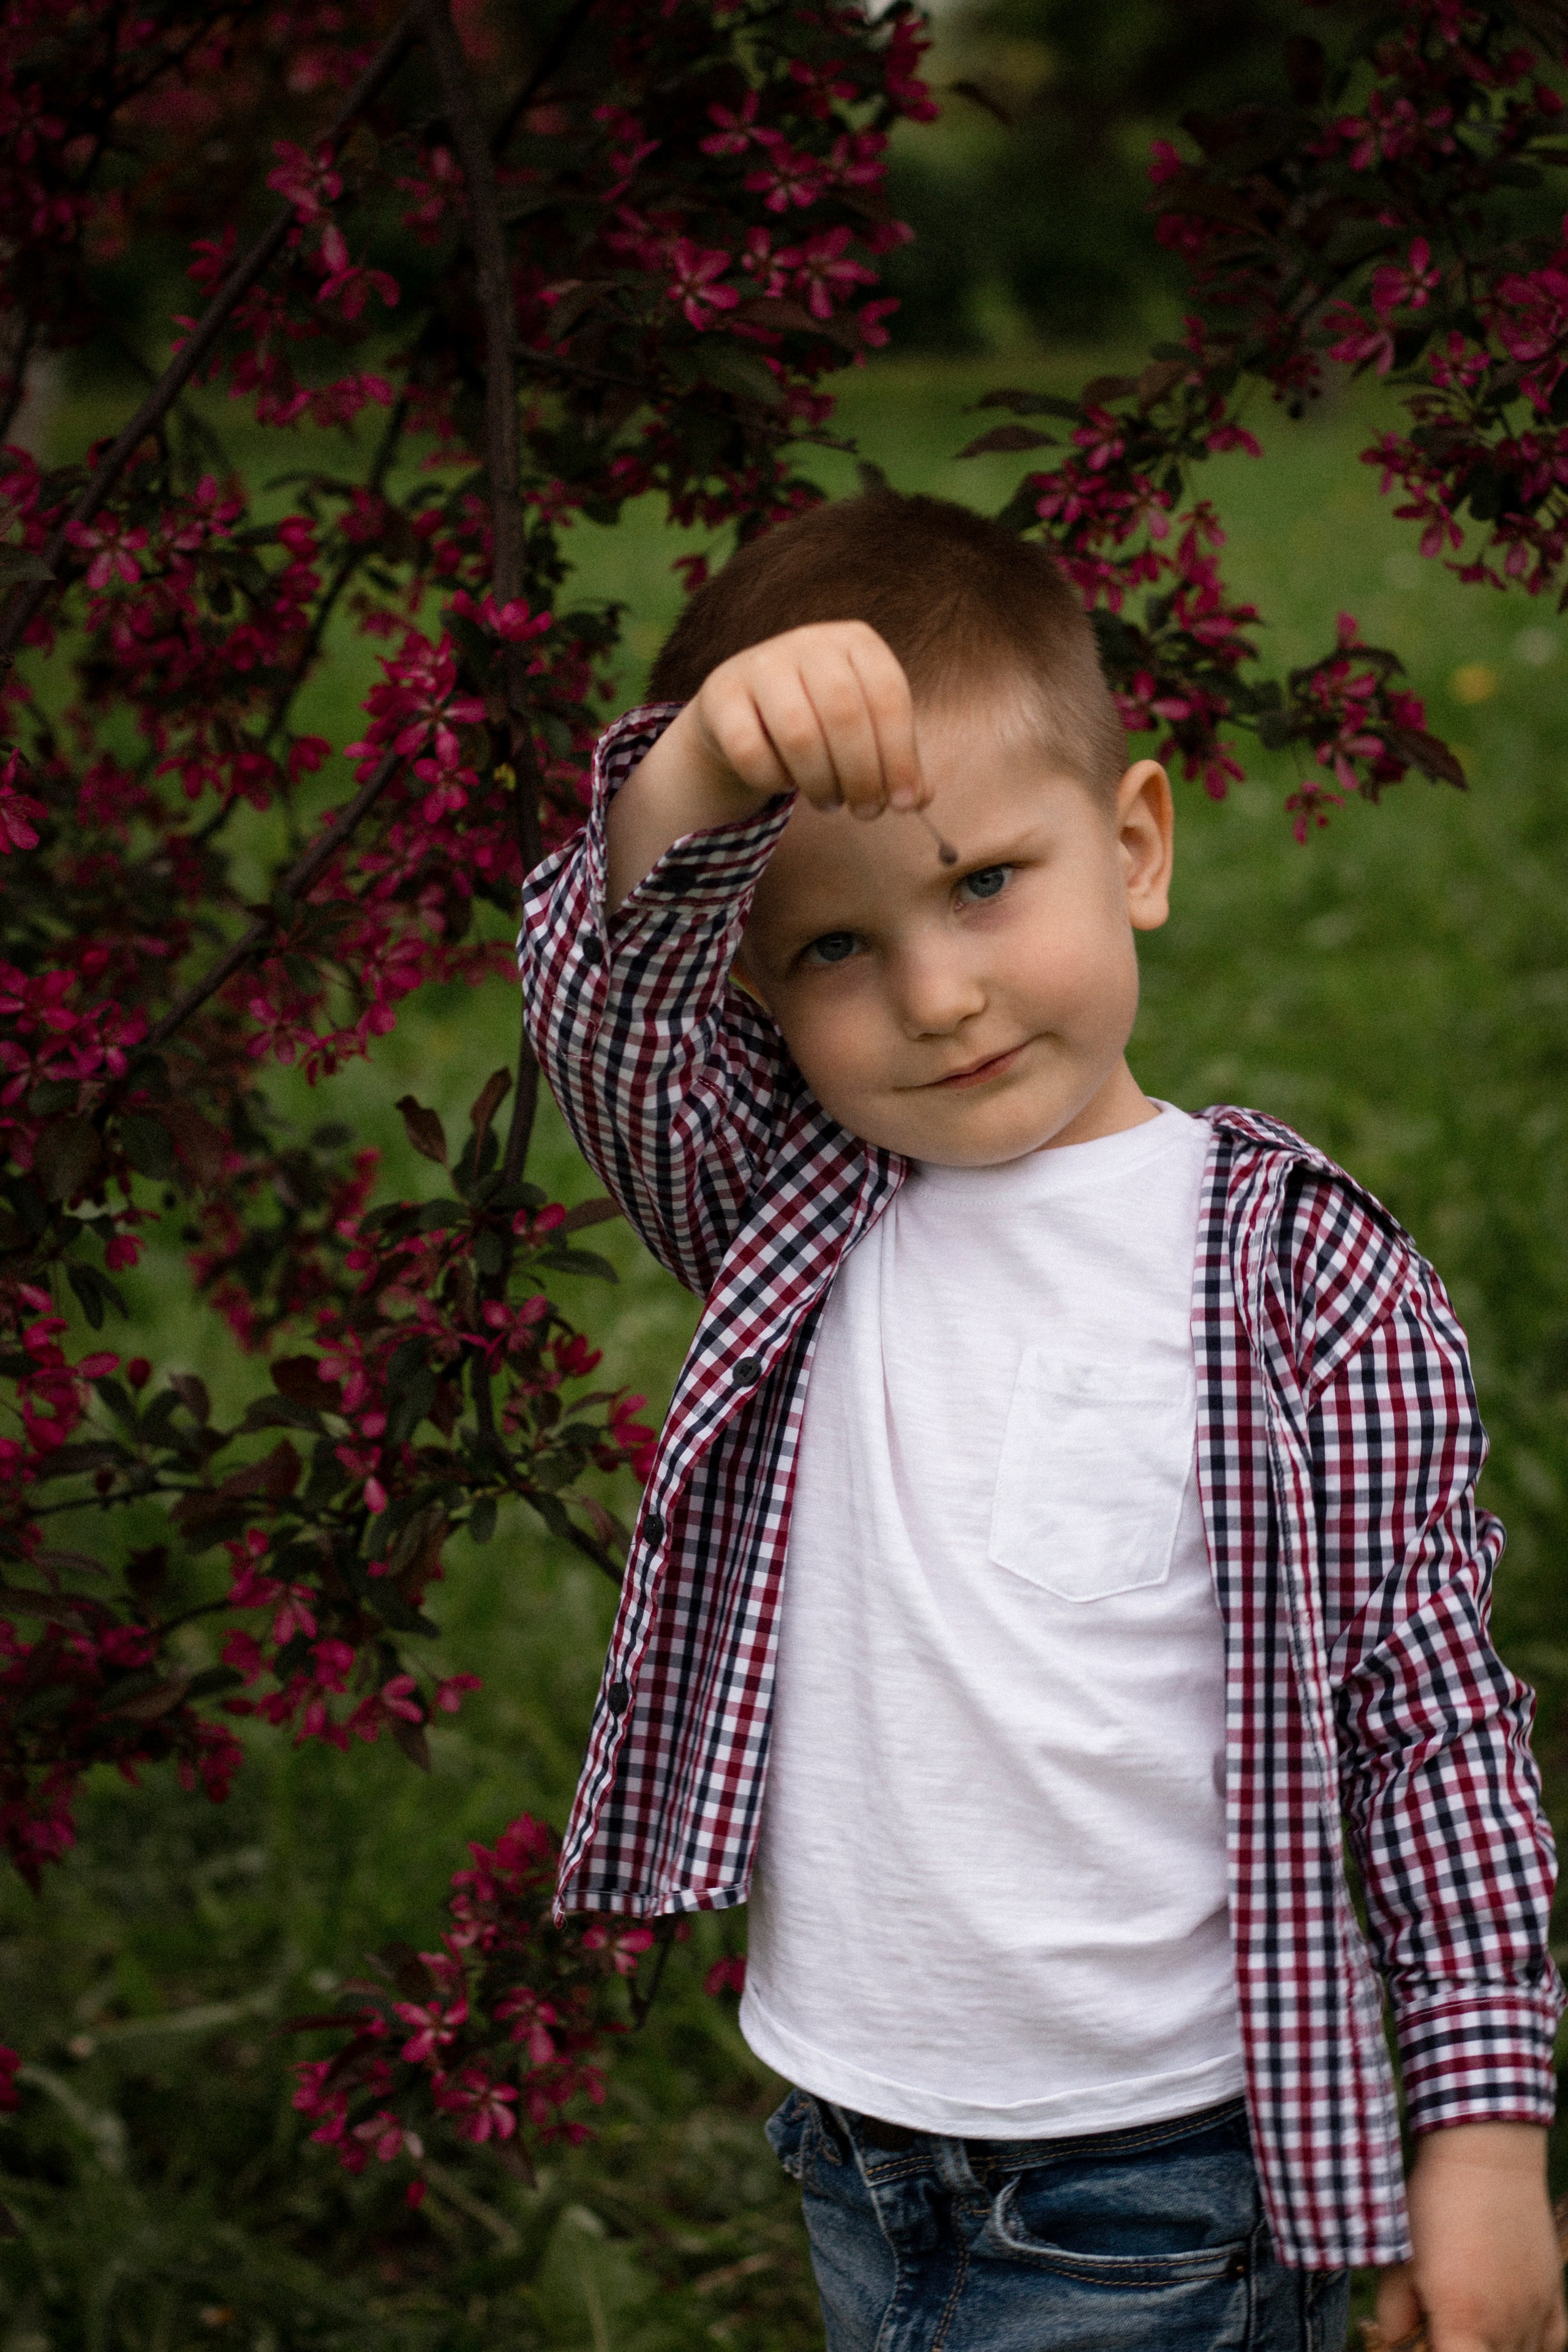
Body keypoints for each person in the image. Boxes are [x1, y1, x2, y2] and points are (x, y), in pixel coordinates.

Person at [516, 489, 1565, 2352]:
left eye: (987, 883)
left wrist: (1482, 2140)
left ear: (1137, 842)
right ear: (758, 984)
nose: (937, 995)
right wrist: (684, 786)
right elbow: (604, 1014)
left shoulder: (1296, 1278)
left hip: (1164, 2176)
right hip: (858, 2135)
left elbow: (1435, 1721)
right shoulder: (792, 1211)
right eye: (835, 950)